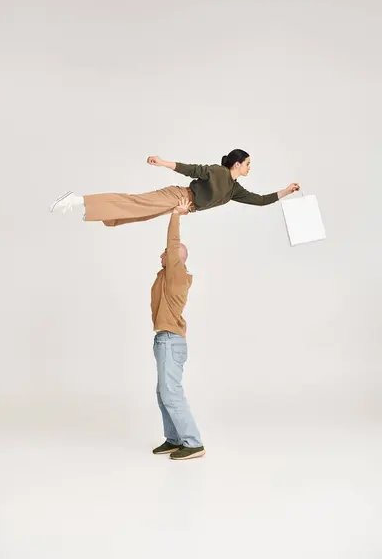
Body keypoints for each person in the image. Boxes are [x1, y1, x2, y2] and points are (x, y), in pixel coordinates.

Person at [49, 149, 300, 226]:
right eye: (247, 164)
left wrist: (286, 191)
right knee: (134, 203)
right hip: (179, 196)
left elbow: (261, 200)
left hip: (182, 207)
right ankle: (78, 200)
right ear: (237, 163)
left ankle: (91, 210)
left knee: (139, 214)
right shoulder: (218, 171)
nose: (249, 168)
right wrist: (162, 163)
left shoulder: (235, 190)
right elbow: (191, 169)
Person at [151, 198, 205, 460]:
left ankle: (193, 442)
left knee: (170, 392)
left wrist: (176, 214)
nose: (162, 254)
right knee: (163, 392)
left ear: (176, 259)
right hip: (165, 340)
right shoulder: (165, 276)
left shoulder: (177, 274)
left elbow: (173, 245)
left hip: (170, 341)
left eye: (167, 252)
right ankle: (174, 439)